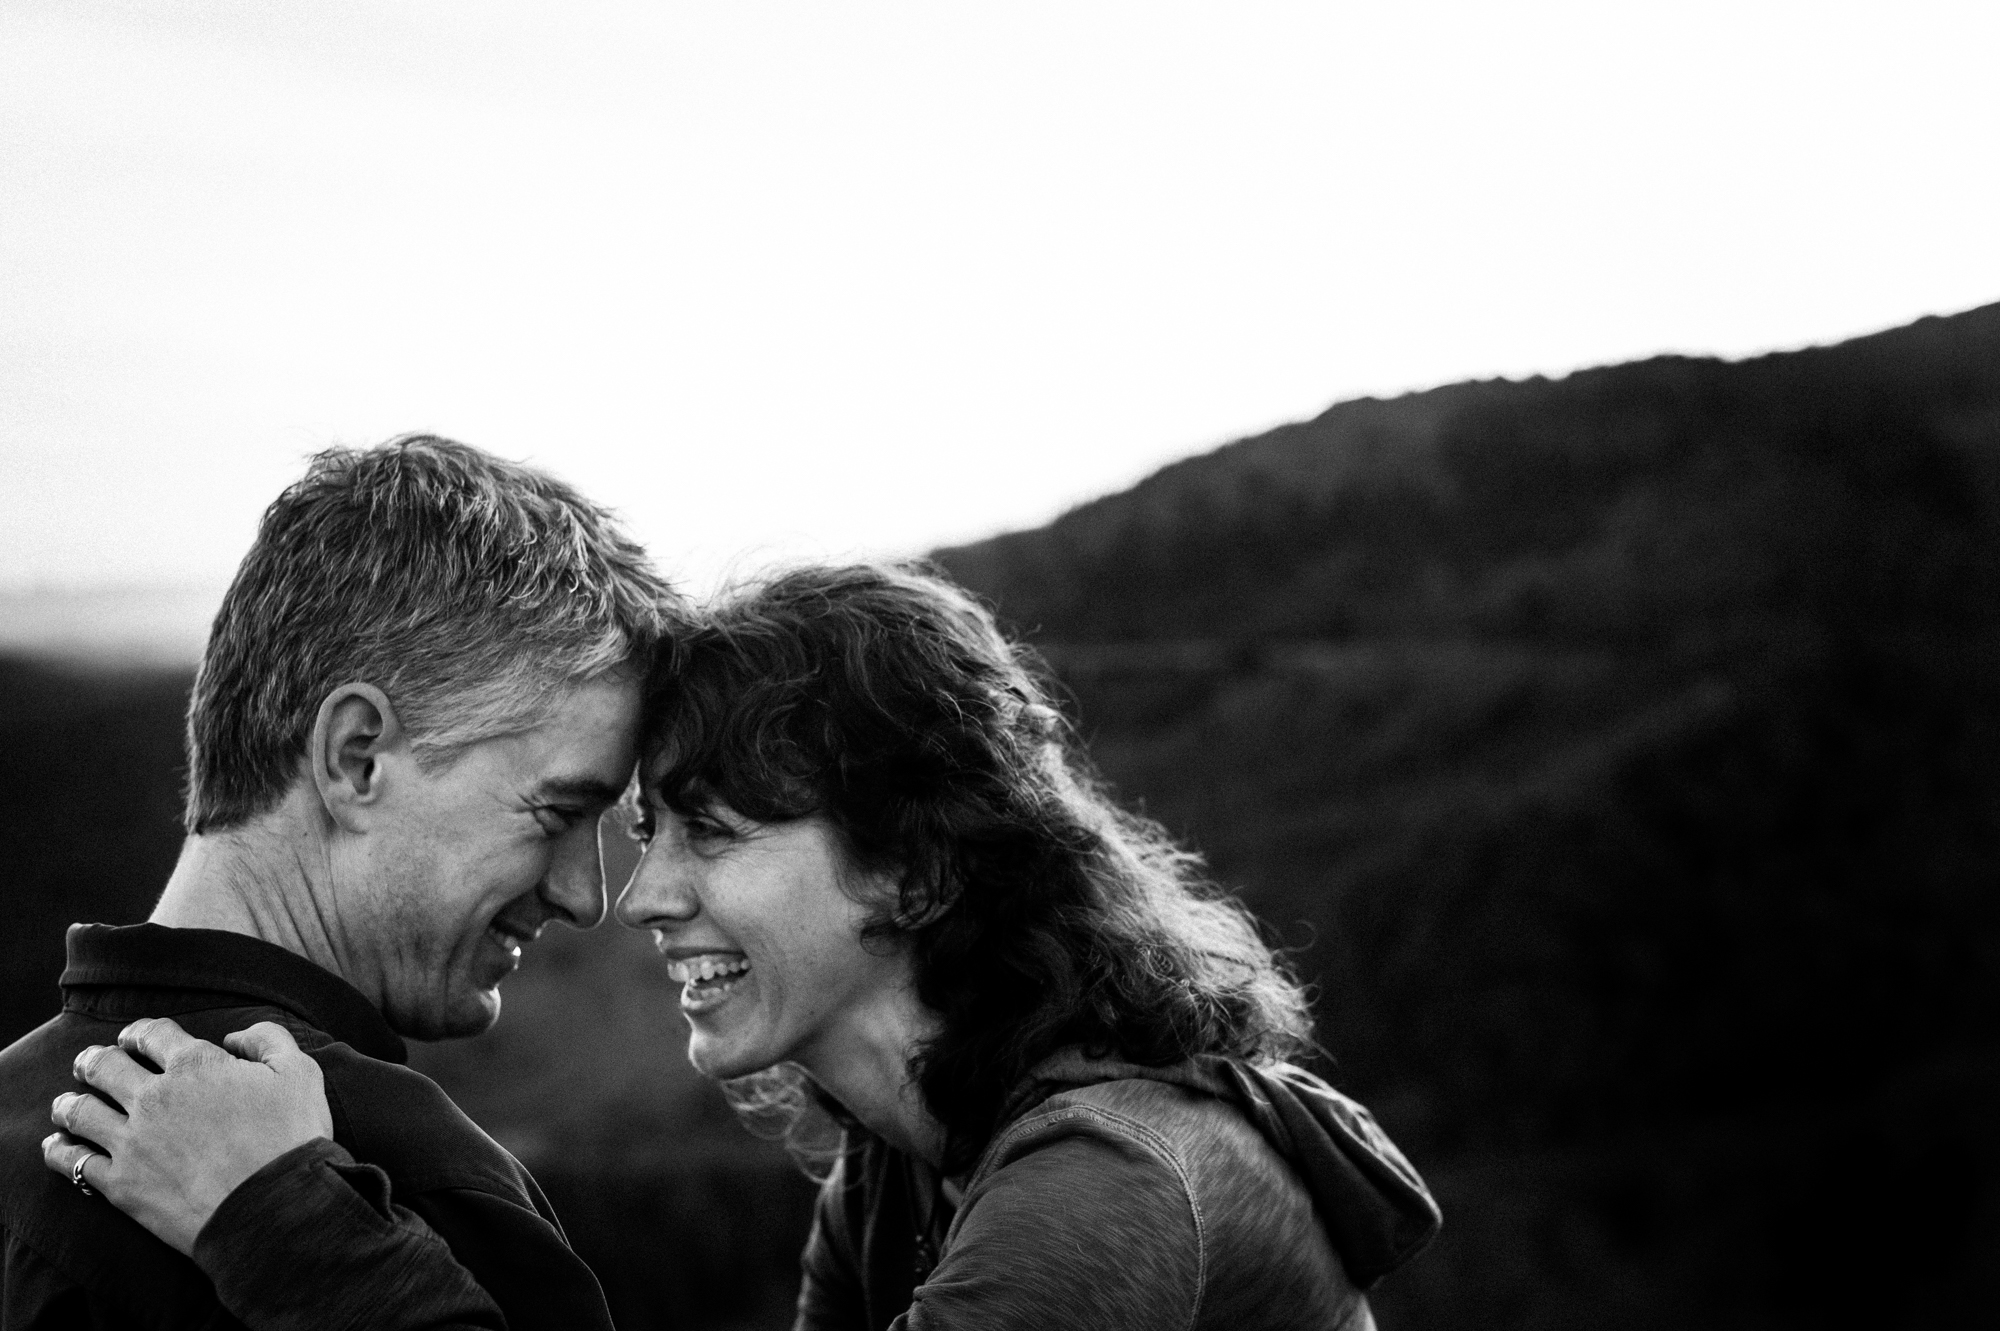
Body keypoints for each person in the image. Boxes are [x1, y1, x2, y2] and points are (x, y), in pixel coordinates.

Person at [49, 563, 1441, 1330]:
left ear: (915, 862)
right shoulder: (900, 1167)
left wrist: (287, 1219)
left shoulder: (1106, 1187)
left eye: (709, 833)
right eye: (639, 827)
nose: (639, 895)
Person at [4, 435, 681, 1329]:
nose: (586, 896)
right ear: (356, 756)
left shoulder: (14, 1105)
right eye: (557, 813)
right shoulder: (418, 1185)